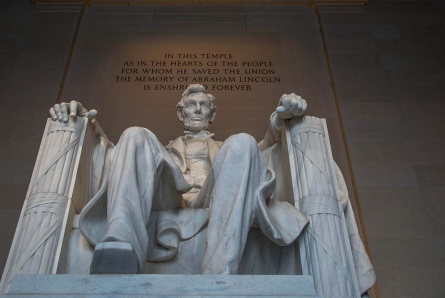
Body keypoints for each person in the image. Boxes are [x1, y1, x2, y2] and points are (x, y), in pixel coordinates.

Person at [50, 84, 309, 275]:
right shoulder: (159, 150)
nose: (197, 109)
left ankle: (219, 272)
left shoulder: (226, 149)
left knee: (244, 141)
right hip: (170, 196)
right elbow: (109, 155)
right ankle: (120, 243)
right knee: (134, 134)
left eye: (203, 105)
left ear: (212, 113)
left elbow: (264, 150)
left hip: (214, 194)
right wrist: (85, 123)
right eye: (190, 105)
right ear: (180, 112)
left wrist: (279, 121)